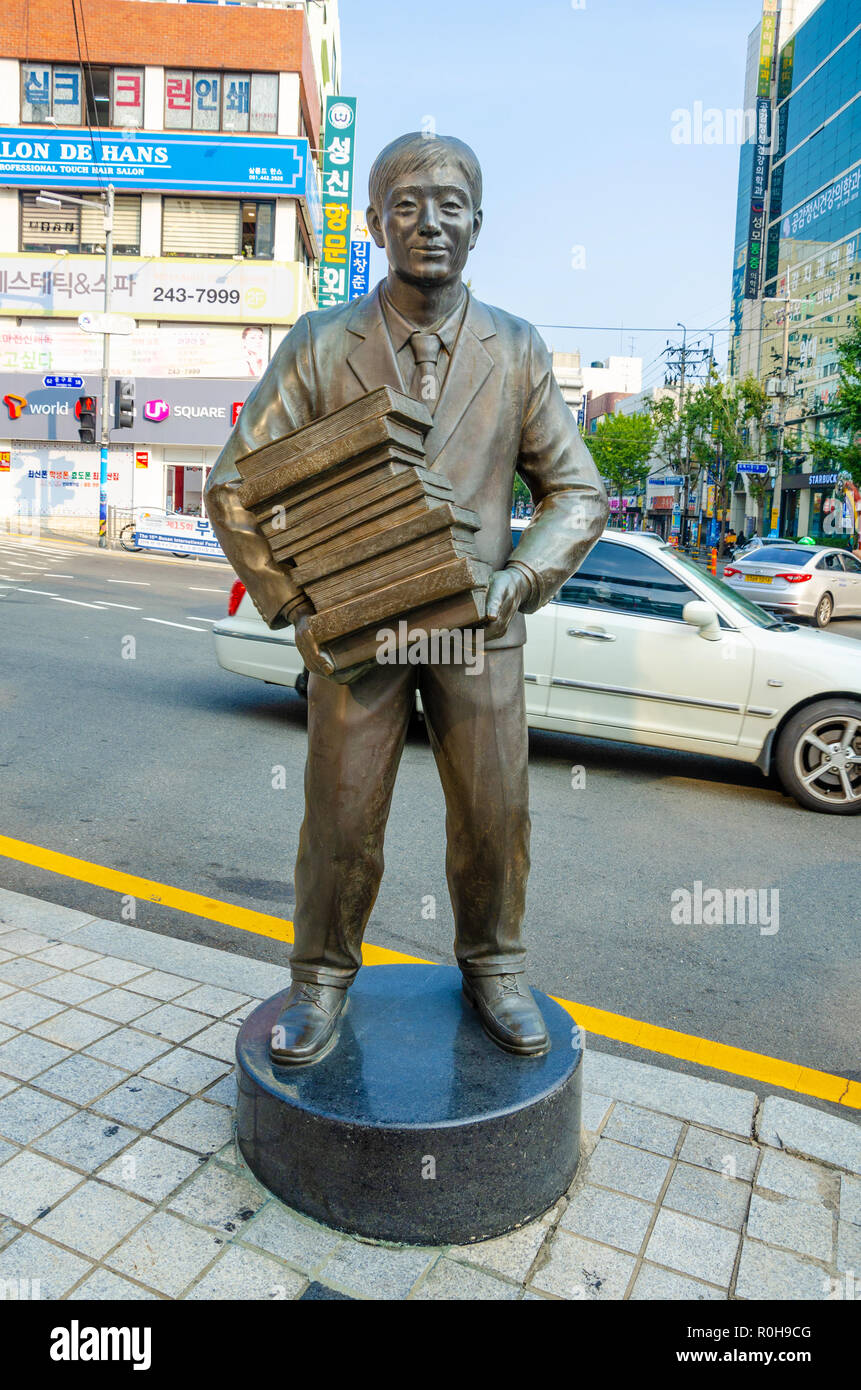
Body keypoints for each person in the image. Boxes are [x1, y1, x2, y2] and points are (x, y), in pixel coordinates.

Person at [205, 133, 609, 1063]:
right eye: (408, 204)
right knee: (342, 814)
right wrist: (293, 604)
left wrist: (520, 580)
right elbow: (233, 486)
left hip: (480, 627)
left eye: (450, 204)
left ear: (477, 223)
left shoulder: (516, 349)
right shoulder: (319, 343)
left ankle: (495, 967)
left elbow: (576, 492)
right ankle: (318, 978)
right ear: (378, 222)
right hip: (358, 628)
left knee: (495, 813)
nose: (429, 222)